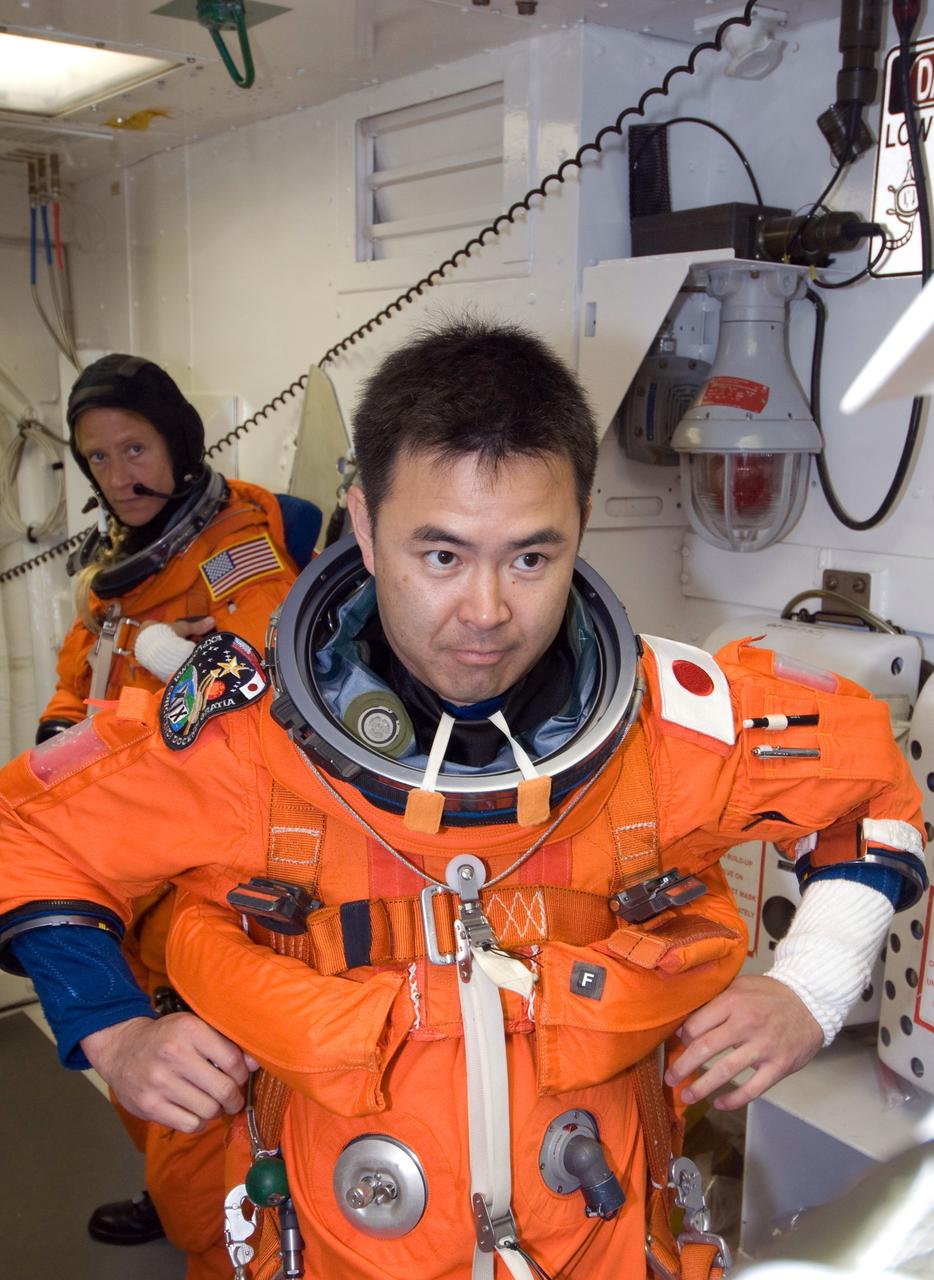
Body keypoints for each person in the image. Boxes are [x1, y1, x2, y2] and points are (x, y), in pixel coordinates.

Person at [0, 319, 925, 1280]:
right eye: (441, 555)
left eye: (531, 558)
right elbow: (26, 832)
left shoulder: (667, 729)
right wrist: (116, 1034)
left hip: (602, 1239)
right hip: (330, 1245)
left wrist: (811, 989)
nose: (486, 612)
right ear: (364, 525)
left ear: (580, 524)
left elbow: (868, 785)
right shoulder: (247, 740)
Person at [35, 353, 314, 1280]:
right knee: (130, 1066)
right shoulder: (118, 573)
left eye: (136, 448)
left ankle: (216, 1242)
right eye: (99, 457)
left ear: (179, 444)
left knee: (199, 1116)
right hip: (119, 864)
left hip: (201, 874)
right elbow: (79, 685)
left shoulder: (237, 552)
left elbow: (262, 687)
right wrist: (65, 739)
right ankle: (175, 1197)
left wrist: (166, 657)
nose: (121, 474)